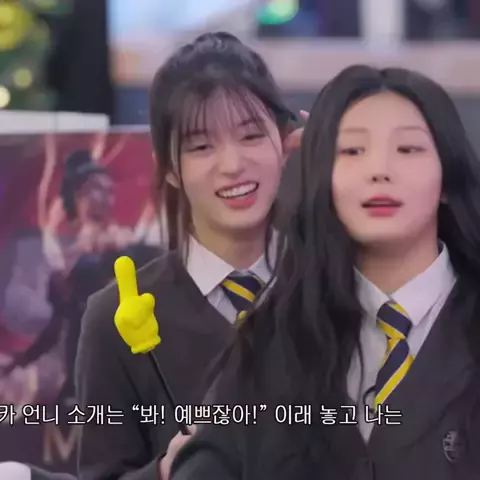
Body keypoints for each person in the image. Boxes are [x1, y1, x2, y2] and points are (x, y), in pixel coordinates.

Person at [170, 65, 480, 480]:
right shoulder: (275, 337)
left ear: (447, 177)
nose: (379, 170)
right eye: (352, 151)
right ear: (322, 180)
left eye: (408, 149)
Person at [75, 31, 304, 480]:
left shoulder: (333, 285)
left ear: (285, 142)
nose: (232, 164)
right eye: (202, 146)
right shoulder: (115, 318)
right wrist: (164, 472)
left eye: (251, 135)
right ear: (169, 168)